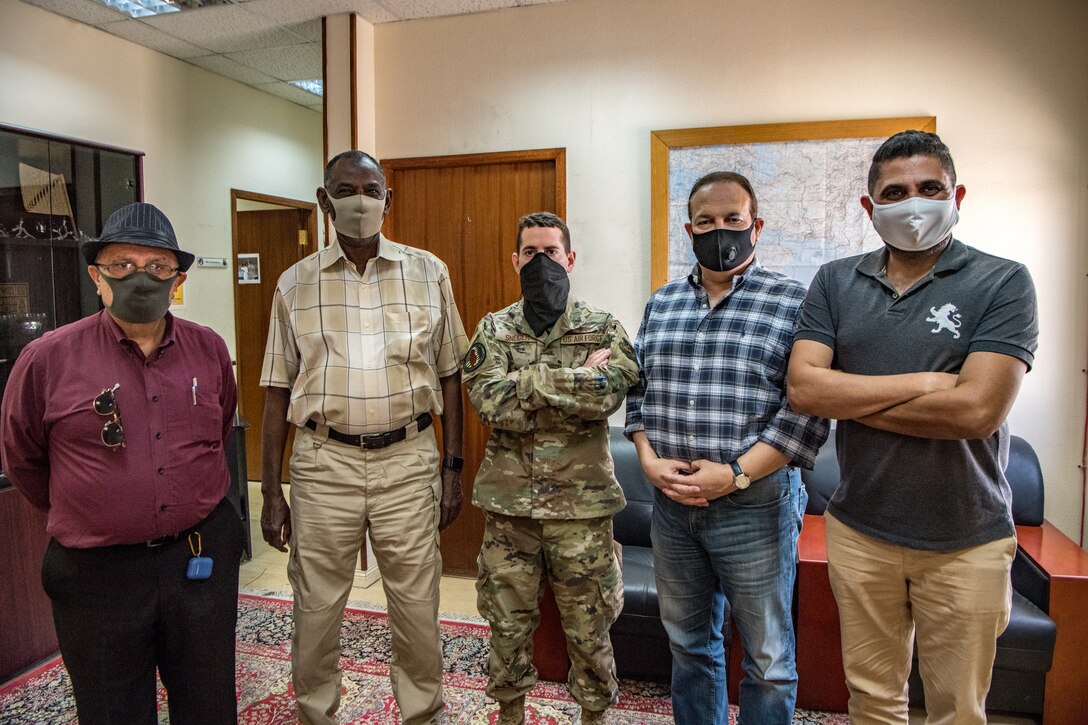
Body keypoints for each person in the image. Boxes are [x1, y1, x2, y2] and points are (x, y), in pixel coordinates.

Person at [787, 130, 1039, 724]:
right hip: (861, 530)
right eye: (895, 192)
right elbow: (804, 389)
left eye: (930, 188)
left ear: (958, 196)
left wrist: (848, 397)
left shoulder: (1002, 282)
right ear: (871, 208)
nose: (914, 203)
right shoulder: (835, 281)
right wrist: (926, 384)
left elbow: (977, 412)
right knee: (873, 701)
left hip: (966, 539)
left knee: (957, 710)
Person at [0, 202, 244, 725]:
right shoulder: (48, 358)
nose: (141, 278)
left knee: (209, 703)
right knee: (112, 709)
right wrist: (97, 507)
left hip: (197, 558)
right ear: (97, 276)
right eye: (122, 265)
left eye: (157, 267)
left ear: (177, 279)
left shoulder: (209, 350)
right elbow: (23, 458)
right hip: (97, 573)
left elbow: (220, 429)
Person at [259, 150, 469, 725]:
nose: (359, 201)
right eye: (345, 190)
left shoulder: (429, 272)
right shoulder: (293, 284)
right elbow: (276, 389)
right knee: (317, 607)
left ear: (387, 200)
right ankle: (316, 714)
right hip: (324, 463)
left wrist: (453, 468)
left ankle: (424, 714)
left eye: (370, 189)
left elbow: (452, 374)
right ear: (324, 201)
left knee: (416, 606)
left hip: (409, 460)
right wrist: (271, 491)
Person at [625, 172, 828, 724]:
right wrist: (647, 460)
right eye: (706, 222)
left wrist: (735, 474)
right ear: (689, 230)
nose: (721, 231)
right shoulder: (661, 304)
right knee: (689, 646)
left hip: (755, 506)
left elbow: (805, 413)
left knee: (768, 659)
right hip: (672, 510)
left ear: (756, 226)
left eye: (733, 220)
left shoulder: (794, 302)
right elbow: (637, 392)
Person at [463, 212, 639, 725]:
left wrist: (529, 382)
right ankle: (511, 715)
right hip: (509, 511)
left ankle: (594, 717)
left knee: (590, 628)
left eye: (552, 253)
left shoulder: (602, 326)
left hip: (582, 512)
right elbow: (489, 404)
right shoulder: (494, 328)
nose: (542, 263)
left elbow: (612, 391)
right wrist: (571, 381)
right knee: (507, 625)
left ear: (571, 259)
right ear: (515, 260)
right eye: (531, 254)